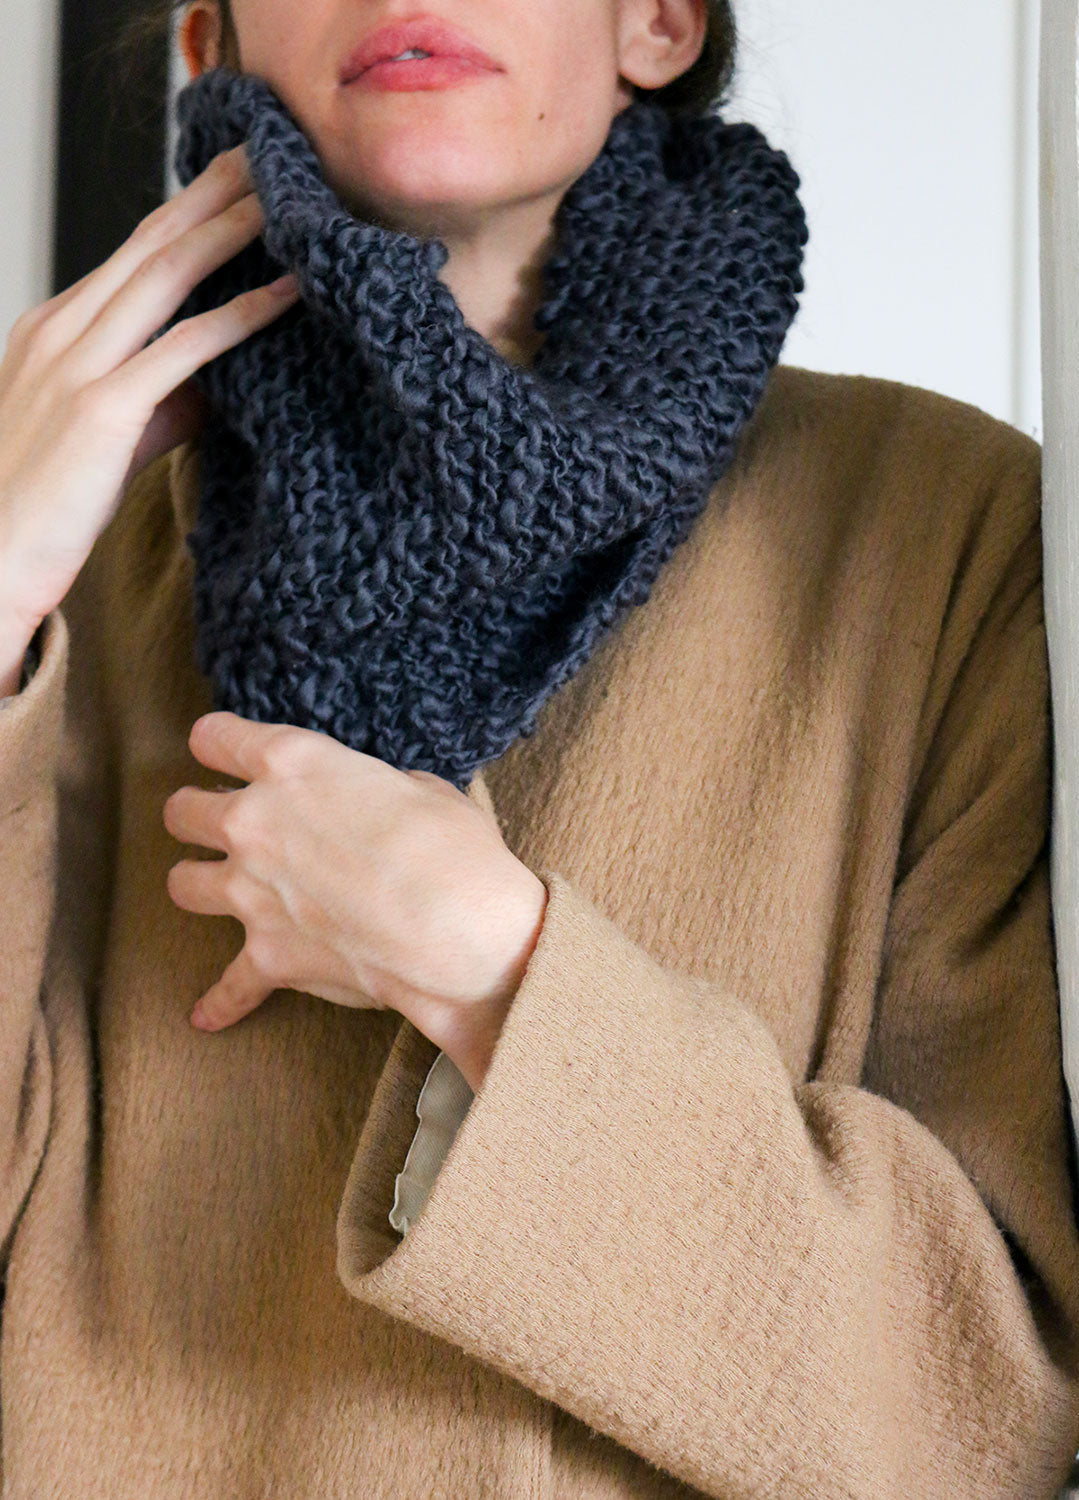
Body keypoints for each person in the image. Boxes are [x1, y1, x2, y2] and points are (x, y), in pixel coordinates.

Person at [1, 1, 1077, 1495]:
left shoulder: (948, 535)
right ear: (214, 45)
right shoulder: (65, 568)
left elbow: (980, 1409)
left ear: (659, 22)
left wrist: (492, 971)